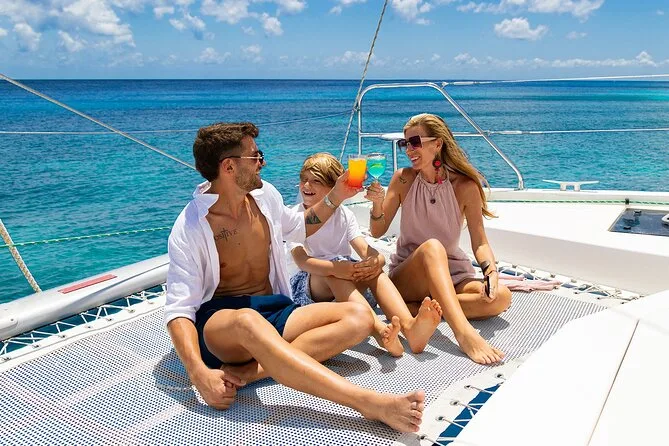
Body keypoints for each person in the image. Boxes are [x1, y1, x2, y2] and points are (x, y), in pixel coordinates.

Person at [165, 122, 424, 433]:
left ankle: (251, 372)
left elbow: (300, 226)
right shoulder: (191, 226)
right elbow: (179, 310)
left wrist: (336, 196)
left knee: (359, 317)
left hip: (274, 311)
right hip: (223, 325)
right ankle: (367, 402)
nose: (262, 162)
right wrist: (198, 374)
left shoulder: (264, 196)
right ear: (229, 167)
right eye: (255, 156)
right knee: (247, 320)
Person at [365, 113, 512, 365]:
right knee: (433, 247)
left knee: (501, 297)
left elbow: (480, 241)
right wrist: (377, 205)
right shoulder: (403, 179)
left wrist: (490, 271)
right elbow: (377, 231)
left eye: (415, 142)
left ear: (438, 144)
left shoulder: (465, 187)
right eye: (405, 143)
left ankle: (416, 309)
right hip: (409, 276)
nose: (409, 149)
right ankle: (463, 333)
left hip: (452, 274)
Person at [289, 153, 443, 357]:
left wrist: (376, 261)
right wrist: (337, 269)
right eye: (304, 179)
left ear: (334, 187)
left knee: (374, 271)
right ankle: (381, 333)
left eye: (316, 181)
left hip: (345, 277)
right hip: (311, 286)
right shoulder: (296, 217)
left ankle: (410, 327)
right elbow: (302, 261)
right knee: (334, 273)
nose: (306, 185)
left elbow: (365, 250)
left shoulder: (345, 215)